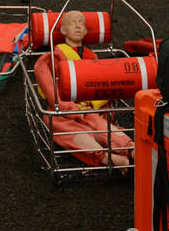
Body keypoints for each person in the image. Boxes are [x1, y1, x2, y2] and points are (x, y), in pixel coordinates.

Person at [32, 11, 132, 168]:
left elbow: (104, 84)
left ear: (86, 31)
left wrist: (92, 104)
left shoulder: (92, 57)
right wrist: (67, 107)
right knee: (57, 124)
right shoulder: (51, 58)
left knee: (99, 123)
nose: (78, 25)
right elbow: (48, 86)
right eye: (72, 22)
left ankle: (130, 149)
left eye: (81, 23)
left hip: (89, 109)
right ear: (63, 30)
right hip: (64, 110)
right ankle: (105, 157)